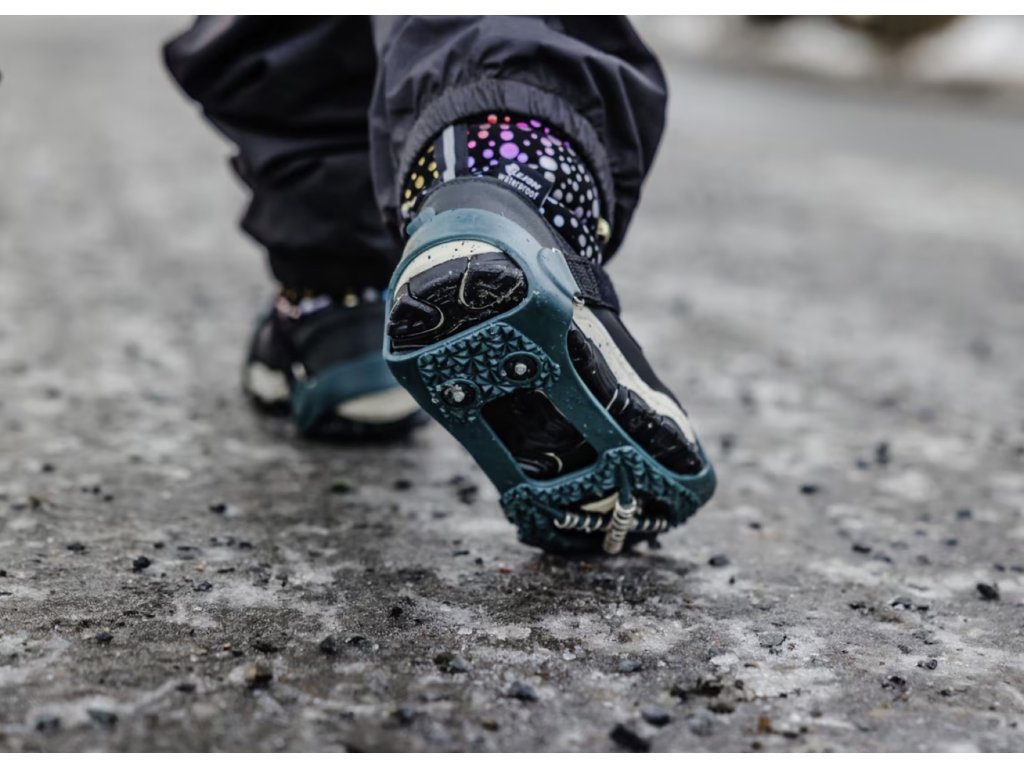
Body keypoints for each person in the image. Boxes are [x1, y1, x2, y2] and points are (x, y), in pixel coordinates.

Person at [164, 16, 715, 555]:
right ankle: (507, 161)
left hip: (323, 225)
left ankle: (336, 300)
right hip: (500, 144)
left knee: (288, 34)